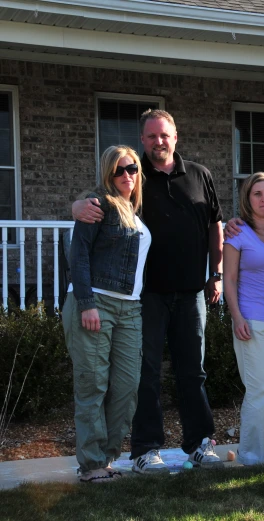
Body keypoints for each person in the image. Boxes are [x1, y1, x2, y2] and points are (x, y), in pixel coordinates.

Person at [72, 109, 224, 474]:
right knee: (146, 374)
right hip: (146, 296)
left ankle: (200, 444)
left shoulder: (200, 175)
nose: (159, 142)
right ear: (143, 140)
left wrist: (215, 274)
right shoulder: (132, 175)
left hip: (191, 293)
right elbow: (101, 200)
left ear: (176, 136)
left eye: (165, 135)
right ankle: (145, 449)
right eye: (152, 136)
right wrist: (75, 206)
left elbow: (214, 224)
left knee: (193, 371)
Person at [63, 145, 151, 483]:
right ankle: (91, 464)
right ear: (107, 174)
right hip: (96, 301)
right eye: (119, 170)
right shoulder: (97, 204)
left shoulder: (135, 208)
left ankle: (107, 456)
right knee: (93, 385)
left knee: (128, 384)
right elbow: (79, 253)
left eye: (131, 169)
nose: (127, 175)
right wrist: (87, 303)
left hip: (130, 307)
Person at [223, 172, 264, 466]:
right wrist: (237, 317)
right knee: (259, 389)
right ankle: (249, 457)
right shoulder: (238, 234)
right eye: (257, 194)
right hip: (252, 321)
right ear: (247, 199)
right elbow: (230, 280)